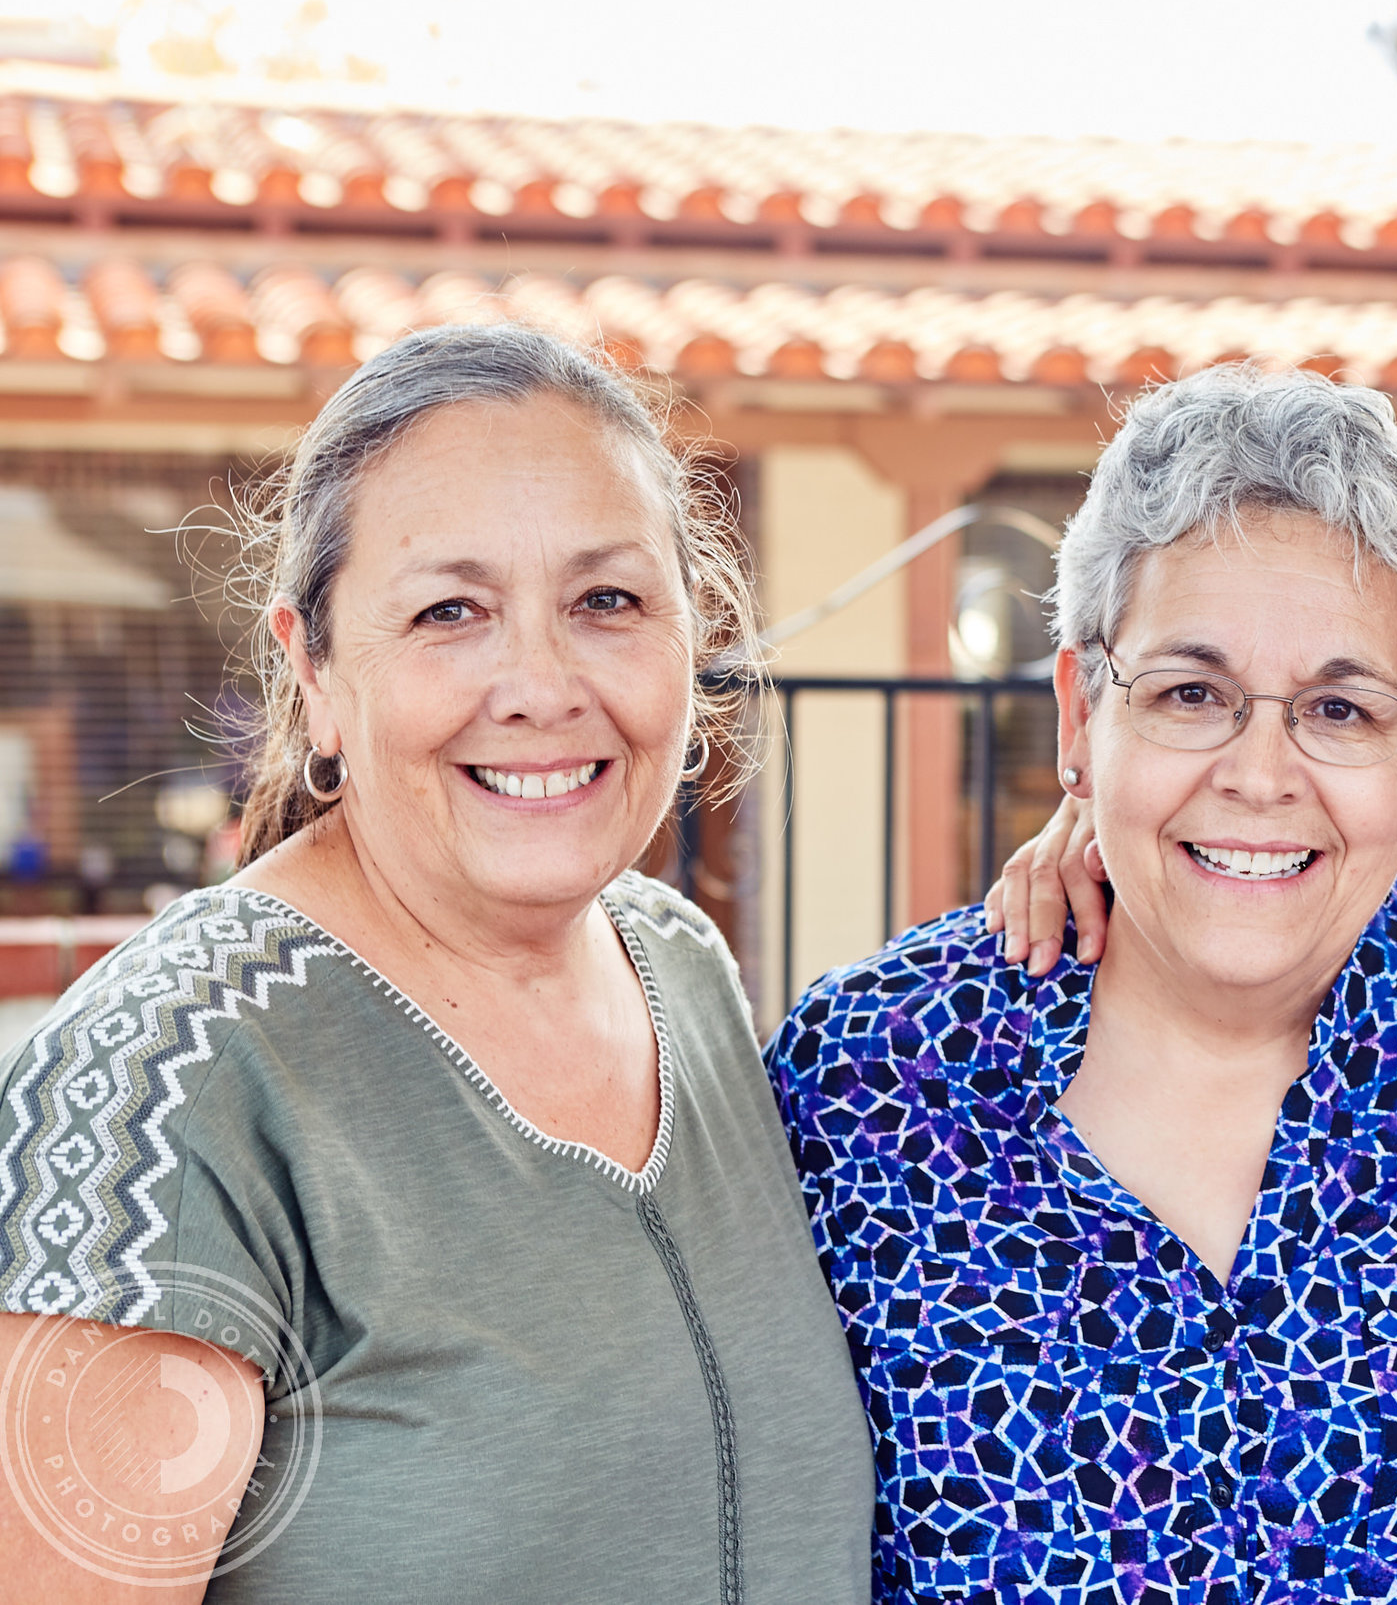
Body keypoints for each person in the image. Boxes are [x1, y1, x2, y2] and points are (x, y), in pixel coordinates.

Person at [0, 323, 872, 1603]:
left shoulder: (678, 958)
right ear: (317, 674)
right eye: (449, 611)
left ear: (696, 643)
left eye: (607, 601)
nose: (539, 683)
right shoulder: (164, 1082)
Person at [767, 363, 1397, 1604]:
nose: (1258, 773)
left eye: (1340, 709)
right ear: (1080, 717)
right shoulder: (870, 1079)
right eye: (1191, 695)